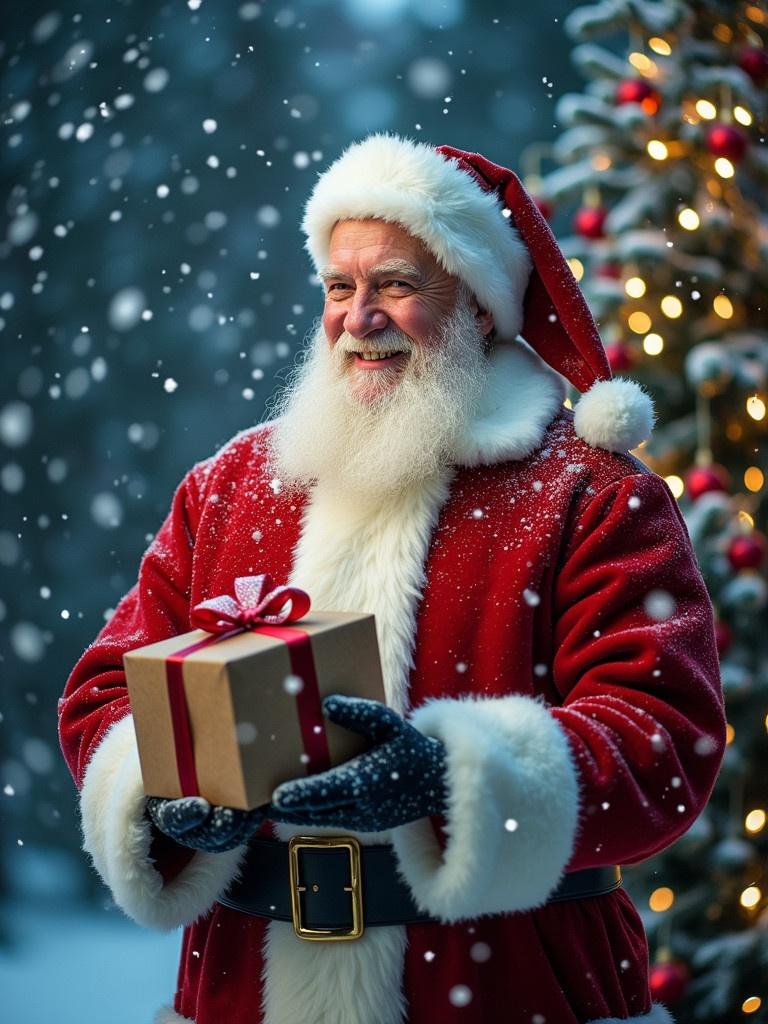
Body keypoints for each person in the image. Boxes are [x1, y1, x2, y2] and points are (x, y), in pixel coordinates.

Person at [59, 134, 726, 1024]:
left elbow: (664, 740)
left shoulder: (592, 495)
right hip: (241, 988)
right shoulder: (230, 486)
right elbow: (106, 687)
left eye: (398, 285)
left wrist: (449, 780)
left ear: (482, 307)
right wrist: (160, 786)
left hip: (502, 985)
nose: (359, 317)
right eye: (340, 287)